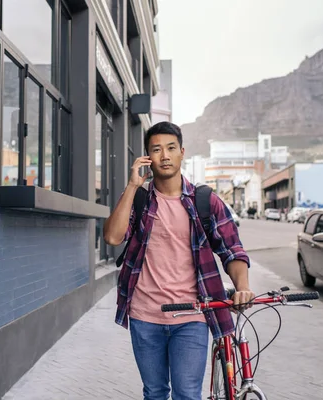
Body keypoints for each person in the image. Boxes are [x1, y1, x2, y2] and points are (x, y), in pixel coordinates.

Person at [103, 121, 255, 400]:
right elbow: (113, 237)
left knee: (187, 394)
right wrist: (132, 185)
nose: (165, 155)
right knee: (155, 392)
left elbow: (232, 249)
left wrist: (242, 285)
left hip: (192, 316)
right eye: (157, 149)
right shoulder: (139, 200)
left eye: (171, 148)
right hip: (145, 315)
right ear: (147, 156)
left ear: (182, 152)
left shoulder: (205, 201)